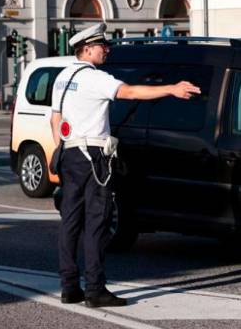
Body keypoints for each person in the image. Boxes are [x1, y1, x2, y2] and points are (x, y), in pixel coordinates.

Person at [50, 22, 201, 308]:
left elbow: (54, 118)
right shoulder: (95, 78)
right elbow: (129, 92)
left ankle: (69, 287)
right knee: (97, 222)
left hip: (69, 153)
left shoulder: (63, 77)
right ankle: (95, 290)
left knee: (70, 221)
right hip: (93, 156)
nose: (106, 50)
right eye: (102, 46)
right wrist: (171, 88)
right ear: (87, 49)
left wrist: (62, 146)